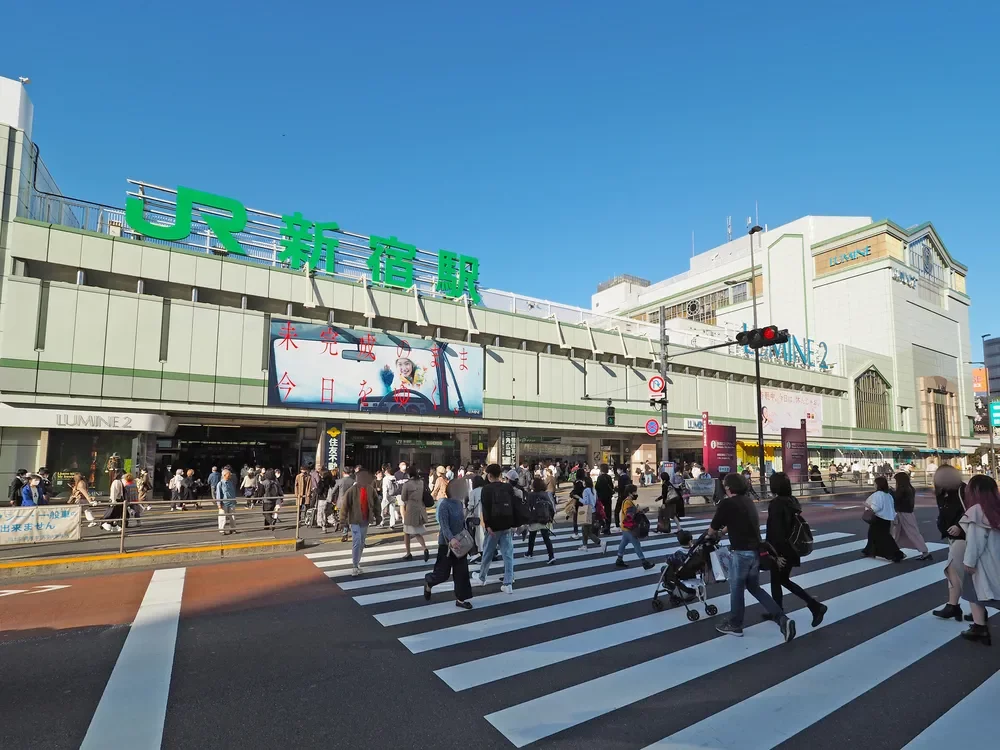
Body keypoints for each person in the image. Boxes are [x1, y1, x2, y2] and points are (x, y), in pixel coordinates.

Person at [708, 473, 796, 641]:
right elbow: (738, 521)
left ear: (729, 487)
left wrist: (712, 534)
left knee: (736, 588)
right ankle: (782, 619)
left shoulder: (727, 503)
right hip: (756, 552)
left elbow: (712, 529)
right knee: (754, 588)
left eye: (725, 486)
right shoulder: (747, 501)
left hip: (741, 554)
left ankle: (735, 624)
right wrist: (725, 531)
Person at [765, 472, 827, 627]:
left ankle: (809, 606)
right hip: (791, 547)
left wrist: (775, 554)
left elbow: (776, 531)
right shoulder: (792, 501)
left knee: (777, 580)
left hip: (780, 549)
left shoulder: (776, 504)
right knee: (781, 580)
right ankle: (784, 609)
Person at [958, 474, 1000, 645]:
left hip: (983, 562)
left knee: (973, 592)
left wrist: (969, 562)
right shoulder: (996, 508)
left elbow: (975, 541)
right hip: (996, 558)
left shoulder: (976, 511)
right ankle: (978, 626)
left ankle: (979, 627)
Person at [424, 477, 474, 610]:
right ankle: (429, 582)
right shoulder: (444, 504)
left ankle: (461, 599)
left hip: (460, 544)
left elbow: (461, 522)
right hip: (446, 545)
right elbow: (444, 525)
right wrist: (451, 539)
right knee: (442, 574)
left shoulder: (459, 503)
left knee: (462, 572)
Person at [932, 464, 970, 620]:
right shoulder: (942, 492)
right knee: (955, 571)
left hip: (963, 536)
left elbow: (972, 510)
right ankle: (953, 605)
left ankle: (957, 606)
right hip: (951, 536)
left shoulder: (963, 490)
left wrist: (960, 525)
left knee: (955, 570)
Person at [474, 464, 516, 593]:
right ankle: (508, 583)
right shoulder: (508, 487)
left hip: (493, 526)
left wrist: (487, 525)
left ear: (489, 475)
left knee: (488, 552)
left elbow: (485, 509)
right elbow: (513, 506)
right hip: (507, 525)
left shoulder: (486, 489)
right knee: (508, 554)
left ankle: (482, 578)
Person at [339, 470, 380, 576]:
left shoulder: (370, 490)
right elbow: (344, 506)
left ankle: (357, 563)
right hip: (354, 519)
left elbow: (376, 503)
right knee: (357, 541)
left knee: (361, 542)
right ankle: (354, 565)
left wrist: (378, 516)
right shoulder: (352, 490)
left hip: (365, 519)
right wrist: (342, 521)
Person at [606, 485, 655, 570]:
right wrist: (637, 511)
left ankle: (619, 559)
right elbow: (629, 515)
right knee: (636, 544)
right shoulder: (628, 502)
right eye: (635, 492)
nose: (636, 493)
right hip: (628, 527)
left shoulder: (627, 501)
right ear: (630, 493)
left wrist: (638, 510)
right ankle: (644, 562)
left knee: (624, 542)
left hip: (625, 527)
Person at [862, 476, 904, 562]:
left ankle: (896, 554)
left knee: (883, 537)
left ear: (878, 485)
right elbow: (892, 507)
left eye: (875, 483)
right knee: (874, 535)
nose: (874, 485)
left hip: (879, 518)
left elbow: (876, 508)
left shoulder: (878, 495)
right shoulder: (888, 495)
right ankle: (869, 550)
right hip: (887, 518)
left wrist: (867, 505)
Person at [891, 471, 932, 560]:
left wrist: (891, 492)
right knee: (899, 532)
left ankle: (925, 551)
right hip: (907, 512)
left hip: (903, 513)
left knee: (910, 532)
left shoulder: (902, 489)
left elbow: (896, 499)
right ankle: (895, 551)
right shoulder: (909, 488)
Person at [400, 466, 430, 562]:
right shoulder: (421, 482)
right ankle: (424, 548)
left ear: (409, 474)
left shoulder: (407, 484)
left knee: (407, 532)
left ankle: (408, 553)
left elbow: (403, 498)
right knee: (416, 531)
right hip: (420, 508)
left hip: (411, 509)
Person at [525, 477, 556, 564]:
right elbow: (551, 507)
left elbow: (527, 507)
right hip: (544, 519)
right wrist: (551, 518)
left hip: (534, 519)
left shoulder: (530, 495)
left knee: (532, 536)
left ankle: (529, 553)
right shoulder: (546, 494)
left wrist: (526, 519)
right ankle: (551, 556)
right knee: (546, 538)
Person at [215, 467, 238, 535]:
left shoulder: (230, 482)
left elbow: (232, 492)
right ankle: (222, 530)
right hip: (224, 503)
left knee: (233, 516)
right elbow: (218, 494)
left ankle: (233, 529)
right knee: (222, 517)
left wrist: (234, 500)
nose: (230, 475)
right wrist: (219, 504)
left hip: (231, 502)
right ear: (224, 475)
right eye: (229, 474)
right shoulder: (220, 484)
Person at [595, 464, 615, 534]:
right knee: (608, 512)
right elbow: (612, 486)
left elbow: (597, 487)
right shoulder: (609, 477)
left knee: (599, 512)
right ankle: (608, 527)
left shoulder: (599, 478)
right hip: (608, 497)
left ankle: (603, 525)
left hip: (601, 497)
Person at [380, 463, 401, 528]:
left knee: (380, 509)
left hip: (387, 495)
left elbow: (385, 489)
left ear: (384, 470)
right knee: (392, 509)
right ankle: (392, 524)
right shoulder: (394, 477)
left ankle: (381, 522)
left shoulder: (385, 479)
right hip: (393, 495)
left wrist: (384, 497)